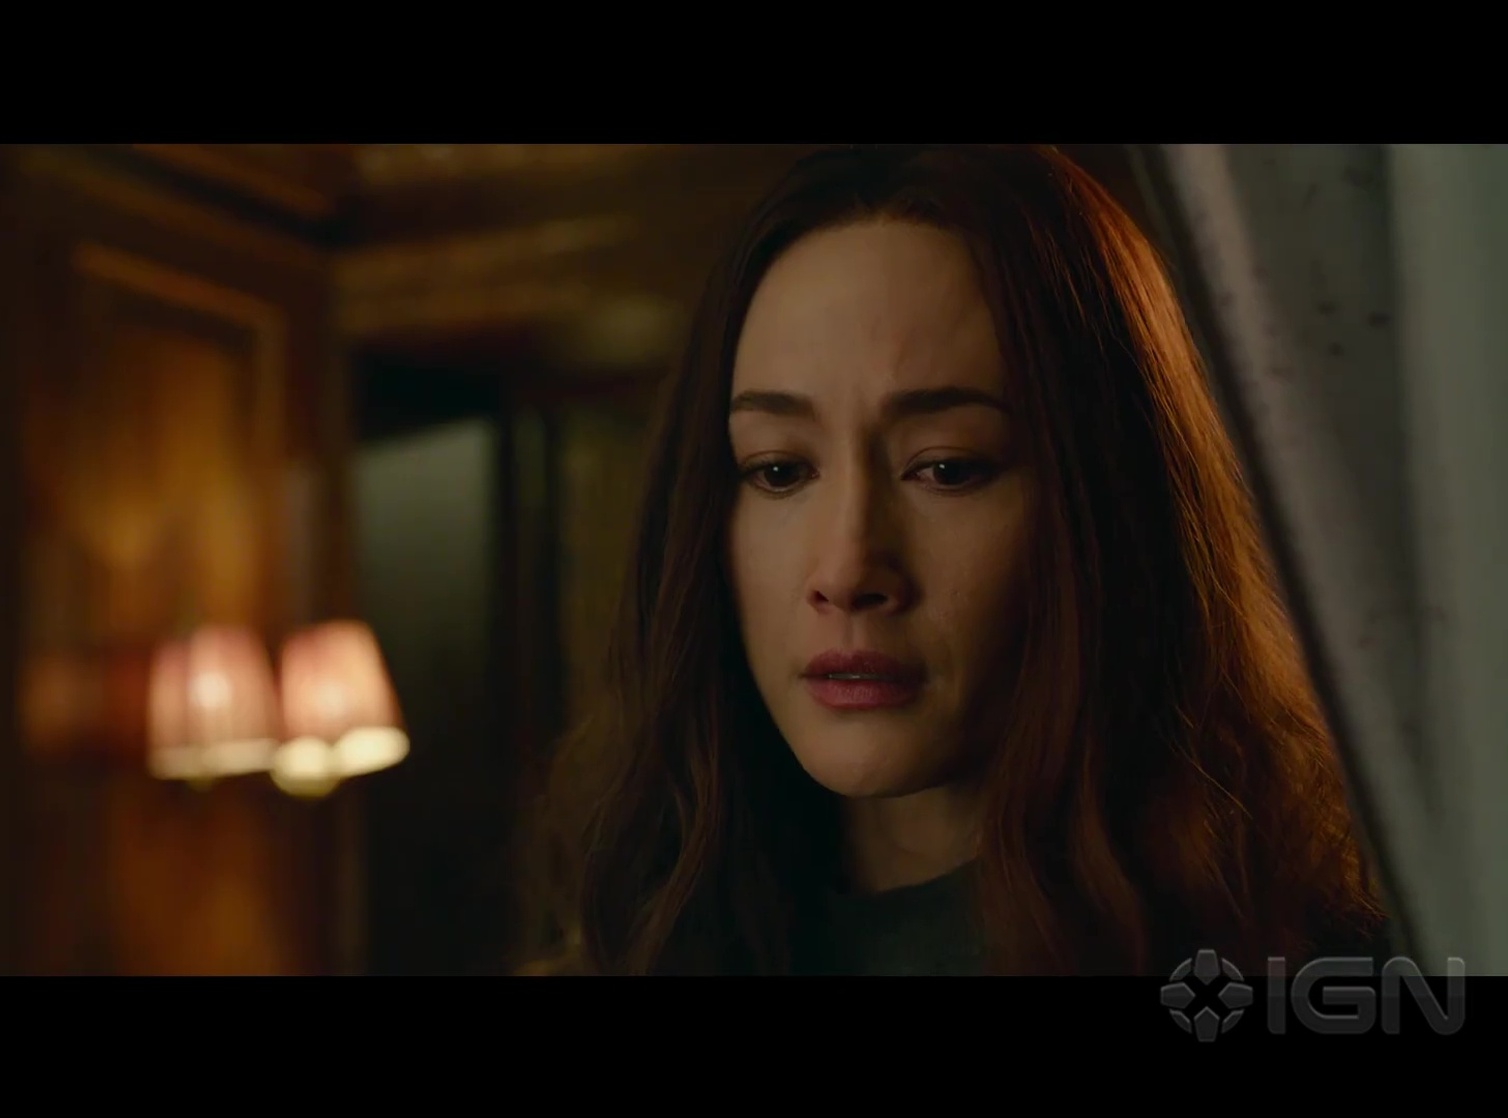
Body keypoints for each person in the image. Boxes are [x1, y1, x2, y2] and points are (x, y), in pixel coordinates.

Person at [524, 145, 1388, 976]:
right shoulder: (637, 947)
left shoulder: (1324, 970)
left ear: (1112, 508)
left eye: (946, 469)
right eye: (780, 471)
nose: (847, 571)